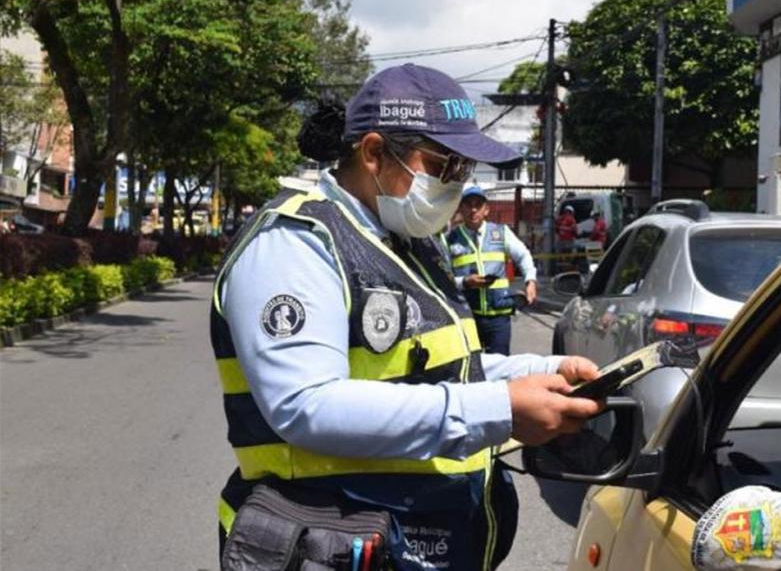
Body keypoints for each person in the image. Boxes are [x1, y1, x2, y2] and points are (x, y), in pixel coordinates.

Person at [210, 64, 603, 571]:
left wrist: (538, 373)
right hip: (329, 542)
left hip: (413, 542)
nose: (456, 184)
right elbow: (306, 404)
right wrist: (498, 407)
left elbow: (439, 369)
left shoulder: (408, 241)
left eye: (464, 169)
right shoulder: (295, 242)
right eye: (443, 165)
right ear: (374, 153)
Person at [447, 186, 538, 355]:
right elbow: (444, 277)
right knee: (471, 366)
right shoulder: (451, 238)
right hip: (467, 316)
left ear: (486, 210)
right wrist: (465, 282)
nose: (473, 210)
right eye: (468, 205)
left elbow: (523, 255)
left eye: (478, 205)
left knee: (500, 365)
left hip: (498, 317)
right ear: (461, 209)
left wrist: (530, 281)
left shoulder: (501, 233)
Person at [555, 205, 577, 271]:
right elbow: (574, 230)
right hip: (568, 240)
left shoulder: (560, 219)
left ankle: (561, 268)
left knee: (561, 255)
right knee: (568, 256)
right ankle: (566, 269)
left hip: (561, 240)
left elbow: (556, 227)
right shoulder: (572, 219)